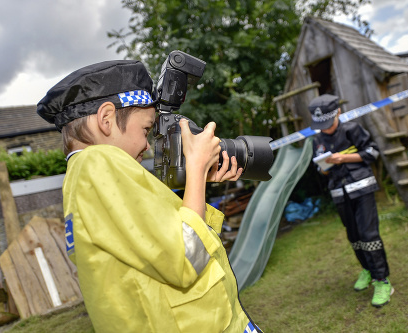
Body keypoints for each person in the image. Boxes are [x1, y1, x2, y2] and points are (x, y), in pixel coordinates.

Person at [37, 60, 263, 332]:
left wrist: (198, 179)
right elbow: (184, 257)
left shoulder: (87, 175)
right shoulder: (98, 163)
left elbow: (163, 242)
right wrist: (195, 166)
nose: (147, 144)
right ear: (106, 119)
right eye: (145, 130)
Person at [308, 94, 394, 308]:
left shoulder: (352, 129)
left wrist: (343, 158)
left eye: (328, 123)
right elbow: (320, 172)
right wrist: (324, 167)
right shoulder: (316, 140)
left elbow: (372, 152)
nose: (325, 129)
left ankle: (382, 280)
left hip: (362, 188)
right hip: (339, 192)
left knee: (369, 234)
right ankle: (367, 269)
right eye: (321, 125)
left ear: (337, 112)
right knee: (354, 236)